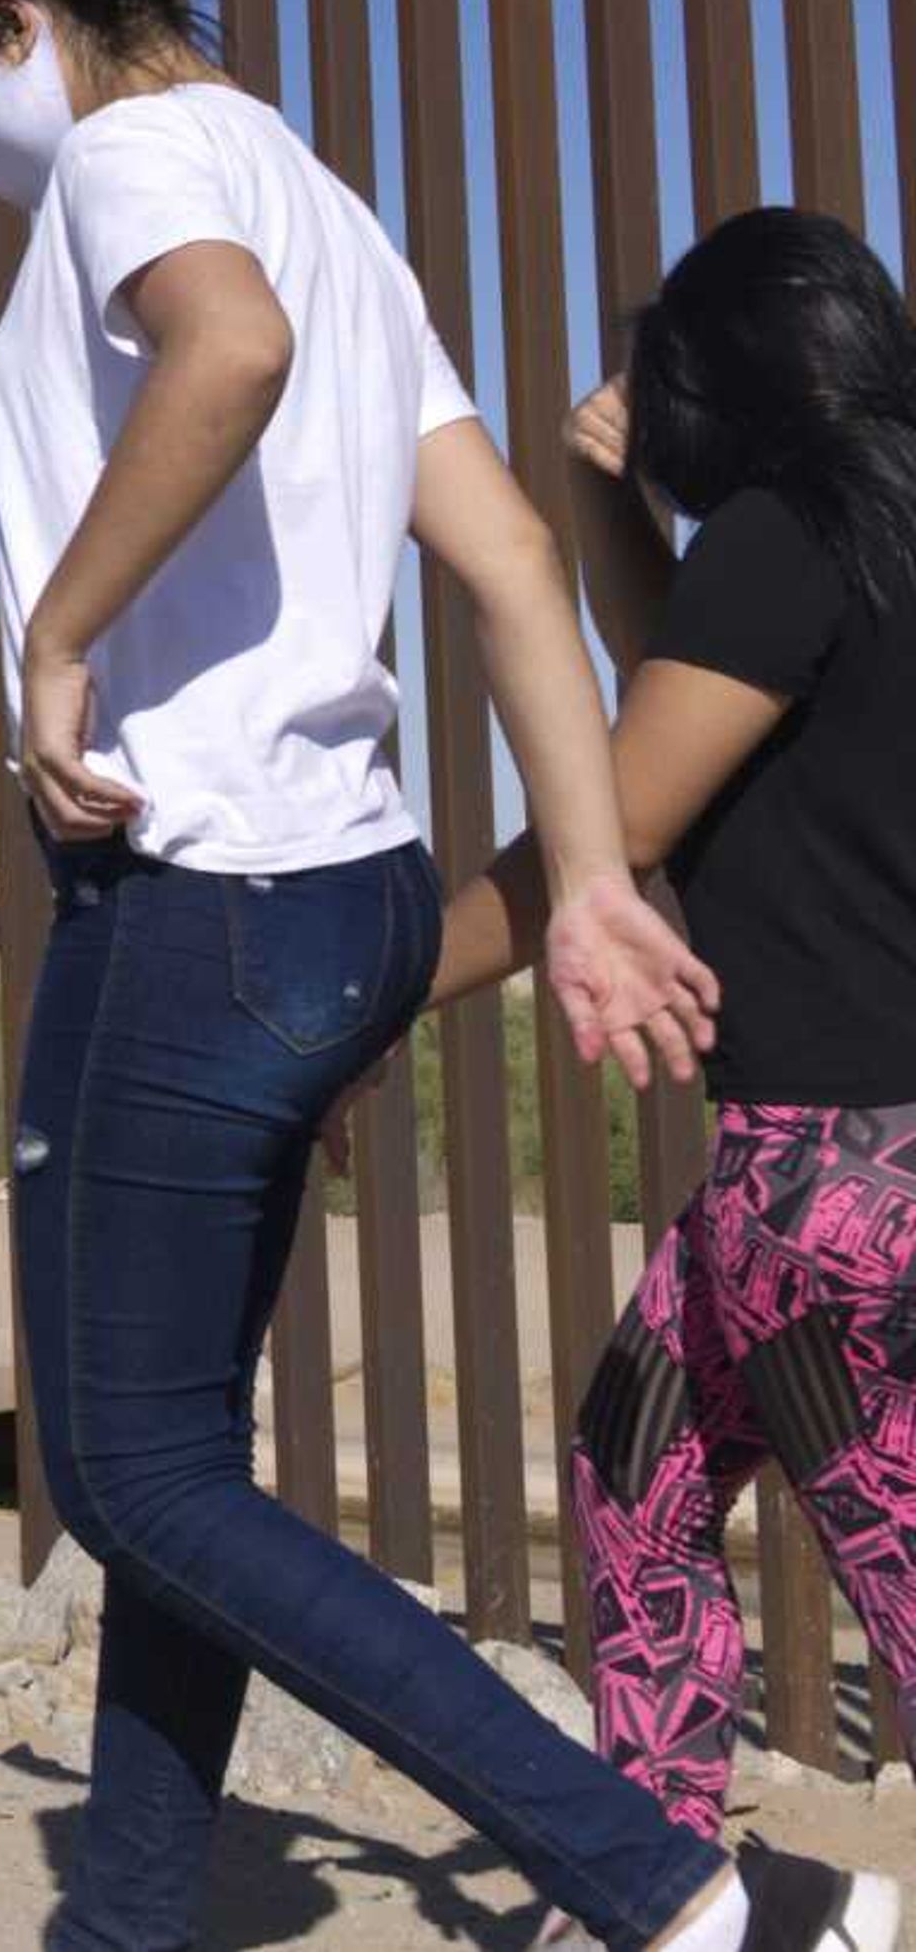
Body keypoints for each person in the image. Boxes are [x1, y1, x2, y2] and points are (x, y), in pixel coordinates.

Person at [0, 0, 863, 1952]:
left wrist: (53, 634)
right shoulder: (331, 200)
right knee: (181, 1465)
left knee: (129, 1471)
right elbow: (509, 553)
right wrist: (592, 878)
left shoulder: (136, 157)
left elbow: (227, 353)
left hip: (197, 900)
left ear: (19, 27)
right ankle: (131, 1919)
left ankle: (676, 1884)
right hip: (345, 897)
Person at [395, 213, 916, 1923]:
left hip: (827, 1187)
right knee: (636, 1471)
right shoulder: (862, 530)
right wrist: (606, 498)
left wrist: (366, 994)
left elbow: (607, 831)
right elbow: (695, 681)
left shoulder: (791, 533)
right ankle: (662, 1880)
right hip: (827, 1170)